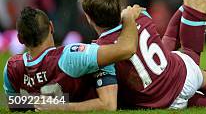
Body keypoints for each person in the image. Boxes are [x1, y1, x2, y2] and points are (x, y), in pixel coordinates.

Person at [79, 0, 206, 109]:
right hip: (182, 75)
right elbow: (163, 41)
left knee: (186, 101)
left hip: (161, 102)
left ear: (88, 18)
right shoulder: (141, 16)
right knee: (202, 76)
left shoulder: (101, 51)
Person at [3, 6, 141, 111]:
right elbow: (127, 49)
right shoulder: (69, 56)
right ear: (51, 27)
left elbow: (13, 103)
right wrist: (129, 17)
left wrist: (38, 101)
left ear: (20, 39)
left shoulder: (12, 67)